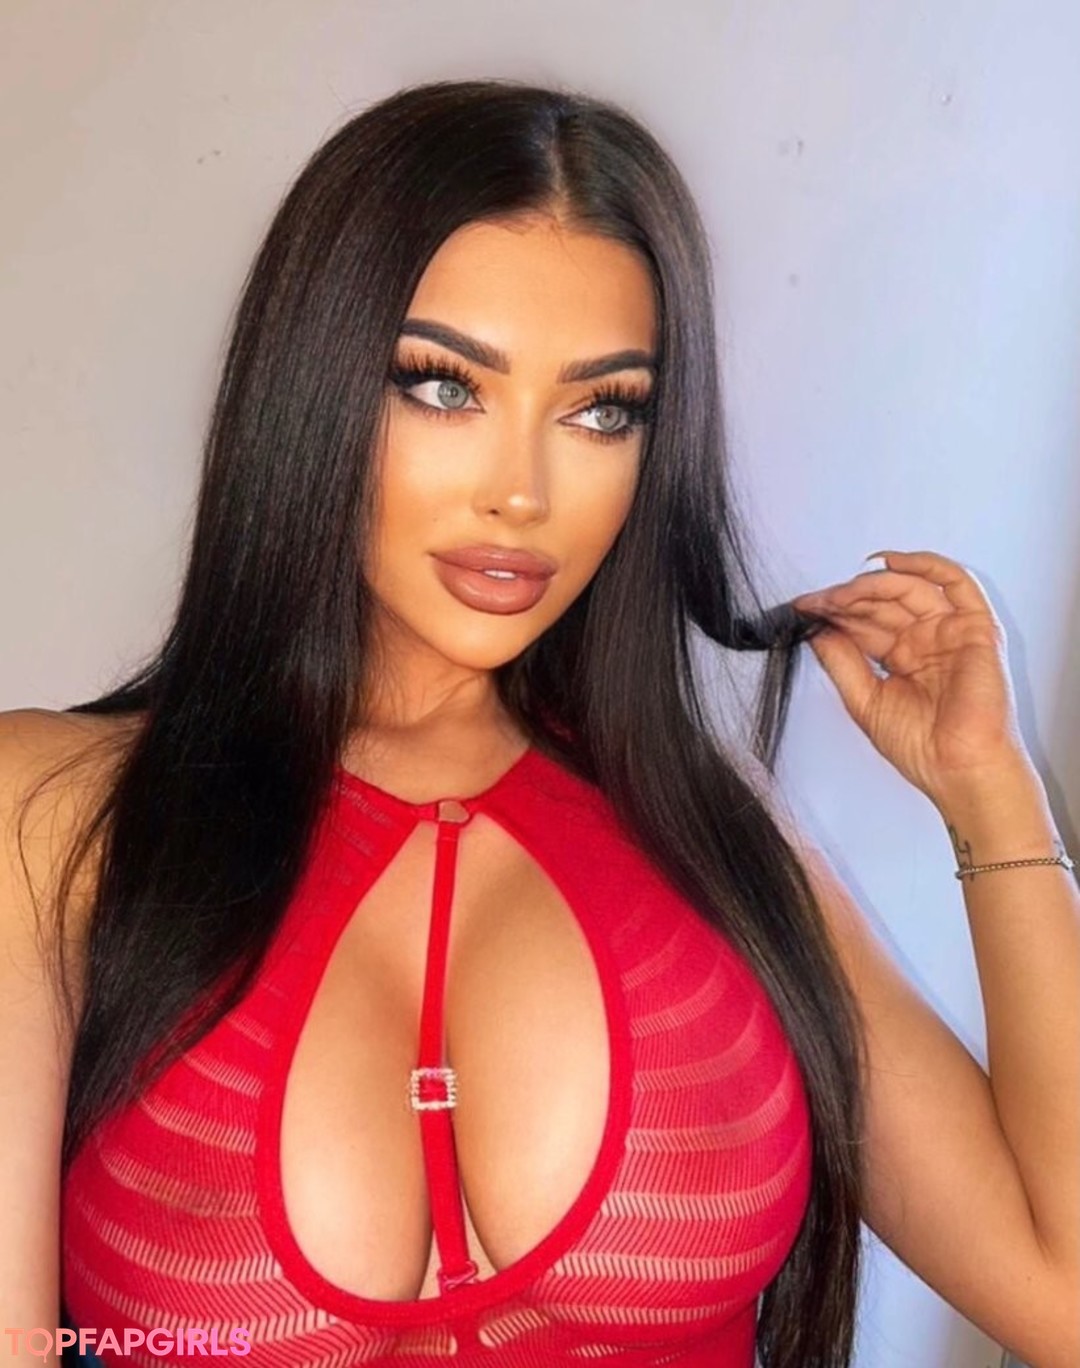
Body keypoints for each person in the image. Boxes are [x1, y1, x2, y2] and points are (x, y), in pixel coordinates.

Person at [1, 77, 1076, 1368]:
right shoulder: (46, 818)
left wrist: (990, 794)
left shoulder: (708, 830)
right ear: (313, 384)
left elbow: (1065, 1295)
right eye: (443, 387)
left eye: (601, 409)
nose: (523, 491)